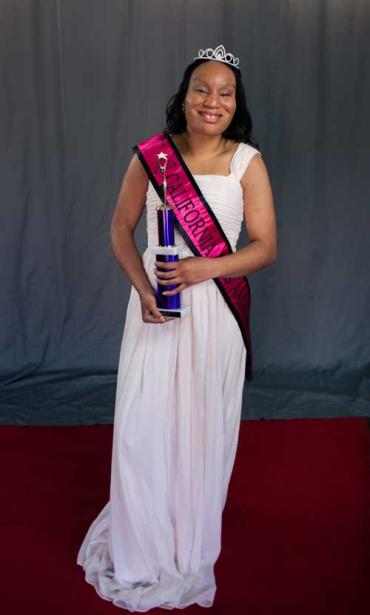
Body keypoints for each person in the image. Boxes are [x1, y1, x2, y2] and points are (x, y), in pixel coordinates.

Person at [77, 44, 277, 611]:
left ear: (235, 105)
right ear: (183, 97)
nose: (212, 101)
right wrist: (143, 288)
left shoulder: (247, 162)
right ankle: (143, 544)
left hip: (214, 313)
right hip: (156, 308)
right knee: (147, 426)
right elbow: (120, 229)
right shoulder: (152, 157)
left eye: (225, 93)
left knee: (201, 426)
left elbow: (265, 248)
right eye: (201, 90)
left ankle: (187, 542)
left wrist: (205, 267)